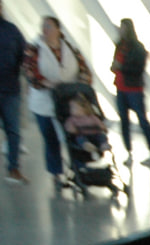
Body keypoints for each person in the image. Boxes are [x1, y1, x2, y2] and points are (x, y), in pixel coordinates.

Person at [22, 16, 88, 184]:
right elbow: (30, 73)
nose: (45, 29)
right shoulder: (34, 49)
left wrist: (80, 85)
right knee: (50, 137)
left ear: (58, 30)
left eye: (49, 26)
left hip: (68, 101)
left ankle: (79, 168)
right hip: (43, 102)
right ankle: (55, 172)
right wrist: (47, 83)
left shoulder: (70, 48)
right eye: (43, 26)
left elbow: (83, 70)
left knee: (73, 135)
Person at [112, 18, 150, 167]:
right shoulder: (119, 46)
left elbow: (138, 69)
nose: (121, 30)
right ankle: (129, 152)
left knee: (142, 121)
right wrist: (115, 67)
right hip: (121, 88)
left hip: (134, 89)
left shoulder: (137, 48)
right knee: (124, 121)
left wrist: (121, 67)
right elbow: (116, 63)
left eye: (123, 28)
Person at [0, 0, 26, 184]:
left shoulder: (11, 30)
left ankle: (14, 168)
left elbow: (22, 55)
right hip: (10, 86)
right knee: (12, 130)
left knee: (13, 131)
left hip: (10, 88)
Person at [63, 92, 109, 157]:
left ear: (83, 109)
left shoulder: (92, 117)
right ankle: (87, 146)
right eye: (71, 108)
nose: (71, 110)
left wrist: (103, 128)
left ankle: (103, 145)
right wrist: (72, 129)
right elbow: (68, 127)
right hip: (82, 134)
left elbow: (99, 124)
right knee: (80, 138)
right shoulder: (72, 119)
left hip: (95, 134)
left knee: (101, 136)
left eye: (74, 108)